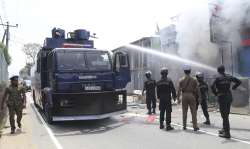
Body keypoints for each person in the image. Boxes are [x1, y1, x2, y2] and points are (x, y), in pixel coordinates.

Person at [211, 65, 241, 138]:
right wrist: (234, 87)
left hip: (222, 97)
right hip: (229, 97)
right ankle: (224, 129)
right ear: (224, 70)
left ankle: (227, 133)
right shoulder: (229, 76)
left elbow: (212, 86)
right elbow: (239, 81)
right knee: (226, 115)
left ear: (218, 71)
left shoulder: (217, 78)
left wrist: (216, 94)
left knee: (224, 116)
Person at [177, 65, 199, 131]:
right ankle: (195, 126)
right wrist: (199, 97)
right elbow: (198, 89)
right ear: (190, 71)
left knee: (184, 112)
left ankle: (184, 126)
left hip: (184, 96)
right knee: (193, 112)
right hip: (191, 95)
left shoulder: (181, 80)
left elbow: (178, 90)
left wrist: (178, 99)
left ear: (184, 71)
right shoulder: (194, 79)